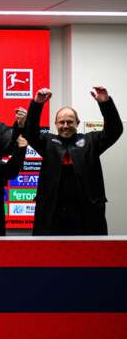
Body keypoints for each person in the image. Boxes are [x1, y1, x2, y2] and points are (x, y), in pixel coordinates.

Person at [24, 87, 122, 235]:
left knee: (88, 255)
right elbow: (30, 132)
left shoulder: (91, 141)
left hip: (85, 212)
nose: (65, 126)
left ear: (77, 123)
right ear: (55, 124)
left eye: (69, 122)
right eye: (61, 122)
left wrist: (105, 103)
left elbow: (115, 130)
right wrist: (37, 104)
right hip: (52, 213)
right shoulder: (47, 142)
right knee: (50, 255)